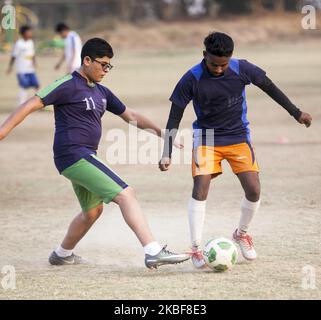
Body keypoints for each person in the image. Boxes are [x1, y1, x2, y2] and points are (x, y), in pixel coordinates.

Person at [0, 38, 190, 269]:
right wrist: (3, 132)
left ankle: (61, 254)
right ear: (87, 60)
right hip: (73, 154)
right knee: (126, 194)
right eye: (103, 64)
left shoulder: (102, 92)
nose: (106, 70)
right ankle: (153, 251)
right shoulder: (67, 84)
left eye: (109, 66)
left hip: (84, 155)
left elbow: (131, 116)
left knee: (92, 212)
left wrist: (163, 134)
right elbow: (30, 104)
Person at [159, 32, 312, 268]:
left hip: (238, 136)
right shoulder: (191, 78)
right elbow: (174, 116)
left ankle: (241, 234)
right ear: (204, 55)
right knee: (200, 187)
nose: (219, 69)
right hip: (207, 137)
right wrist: (166, 152)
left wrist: (296, 112)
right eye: (214, 64)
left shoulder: (242, 68)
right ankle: (197, 249)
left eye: (223, 65)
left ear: (230, 58)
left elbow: (270, 88)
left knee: (254, 189)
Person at [7, 25, 40, 105]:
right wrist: (10, 67)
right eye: (28, 32)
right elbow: (13, 56)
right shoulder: (19, 44)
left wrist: (34, 63)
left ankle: (39, 103)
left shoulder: (30, 42)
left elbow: (32, 54)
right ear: (23, 33)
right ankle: (21, 104)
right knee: (24, 86)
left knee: (36, 85)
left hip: (30, 69)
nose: (30, 33)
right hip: (21, 70)